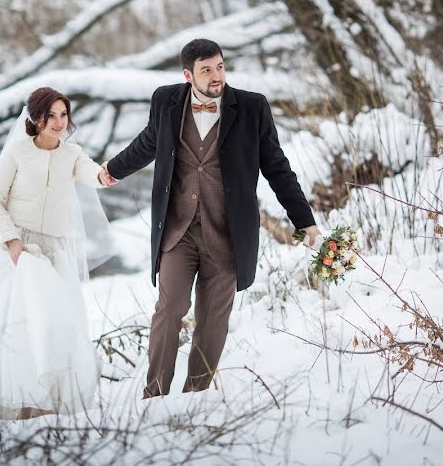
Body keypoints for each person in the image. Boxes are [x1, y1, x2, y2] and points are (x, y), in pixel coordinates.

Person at [103, 38, 320, 398]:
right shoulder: (166, 101)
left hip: (227, 232)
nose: (216, 75)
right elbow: (148, 142)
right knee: (170, 308)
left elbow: (277, 169)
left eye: (219, 66)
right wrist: (113, 170)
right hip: (178, 230)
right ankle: (154, 394)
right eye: (206, 70)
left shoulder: (252, 107)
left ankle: (196, 395)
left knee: (212, 319)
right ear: (188, 75)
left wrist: (303, 219)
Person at [0, 87, 115, 423]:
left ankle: (47, 400)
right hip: (14, 251)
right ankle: (2, 399)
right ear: (35, 118)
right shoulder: (16, 152)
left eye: (63, 115)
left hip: (53, 253)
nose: (58, 122)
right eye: (50, 115)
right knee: (13, 325)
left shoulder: (71, 154)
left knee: (53, 323)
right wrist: (12, 241)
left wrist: (105, 174)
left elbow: (91, 173)